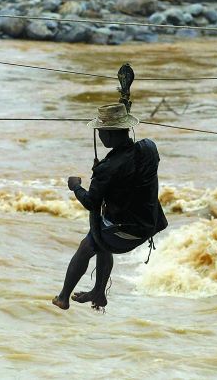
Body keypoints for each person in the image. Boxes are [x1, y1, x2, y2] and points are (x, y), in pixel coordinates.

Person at [52, 103, 168, 311]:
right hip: (149, 225)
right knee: (101, 232)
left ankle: (63, 297)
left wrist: (76, 187)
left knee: (88, 245)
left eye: (101, 132)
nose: (100, 137)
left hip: (124, 234)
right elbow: (127, 172)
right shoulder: (150, 148)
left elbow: (90, 202)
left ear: (110, 134)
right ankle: (98, 292)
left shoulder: (108, 168)